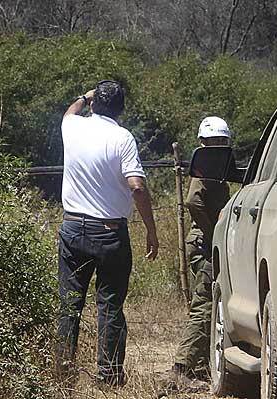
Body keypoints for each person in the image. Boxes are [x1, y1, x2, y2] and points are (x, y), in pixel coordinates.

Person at [56, 80, 159, 386]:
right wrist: (151, 230)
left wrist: (85, 95)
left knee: (69, 304)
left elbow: (69, 111)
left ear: (93, 104)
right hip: (110, 233)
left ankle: (63, 371)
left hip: (72, 228)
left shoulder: (72, 127)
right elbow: (137, 187)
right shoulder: (122, 138)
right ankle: (108, 376)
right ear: (121, 109)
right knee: (110, 305)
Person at [170, 116, 232, 387]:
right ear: (202, 144)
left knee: (208, 303)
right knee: (205, 305)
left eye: (222, 141)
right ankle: (181, 367)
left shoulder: (214, 169)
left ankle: (201, 363)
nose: (218, 146)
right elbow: (193, 201)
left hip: (204, 241)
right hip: (203, 243)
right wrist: (213, 232)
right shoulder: (204, 170)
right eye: (213, 142)